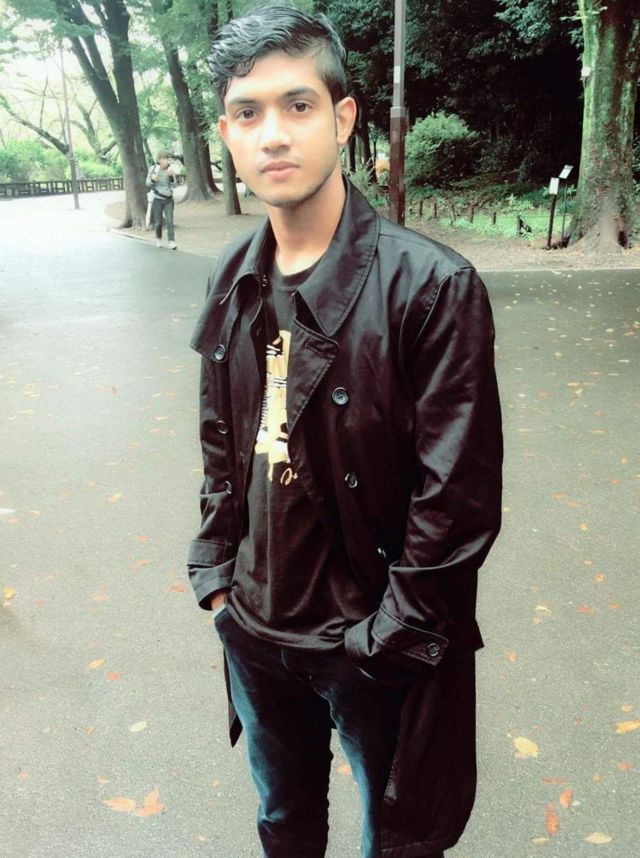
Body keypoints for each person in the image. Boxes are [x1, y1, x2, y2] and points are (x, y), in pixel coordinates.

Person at [187, 4, 503, 857]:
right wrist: (217, 574)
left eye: (298, 105)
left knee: (394, 840)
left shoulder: (431, 287)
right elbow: (221, 434)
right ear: (227, 133)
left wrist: (387, 639)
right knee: (282, 824)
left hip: (368, 644)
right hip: (255, 629)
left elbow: (458, 500)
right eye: (248, 112)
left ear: (343, 117)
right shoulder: (232, 273)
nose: (273, 134)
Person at [145, 150, 177, 249]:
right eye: (163, 159)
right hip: (157, 199)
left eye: (166, 159)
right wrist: (153, 179)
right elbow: (147, 183)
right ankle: (158, 239)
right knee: (158, 222)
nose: (165, 161)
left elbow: (175, 186)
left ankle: (171, 241)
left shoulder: (170, 169)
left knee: (170, 221)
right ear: (159, 160)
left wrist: (171, 177)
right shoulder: (153, 169)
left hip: (168, 199)